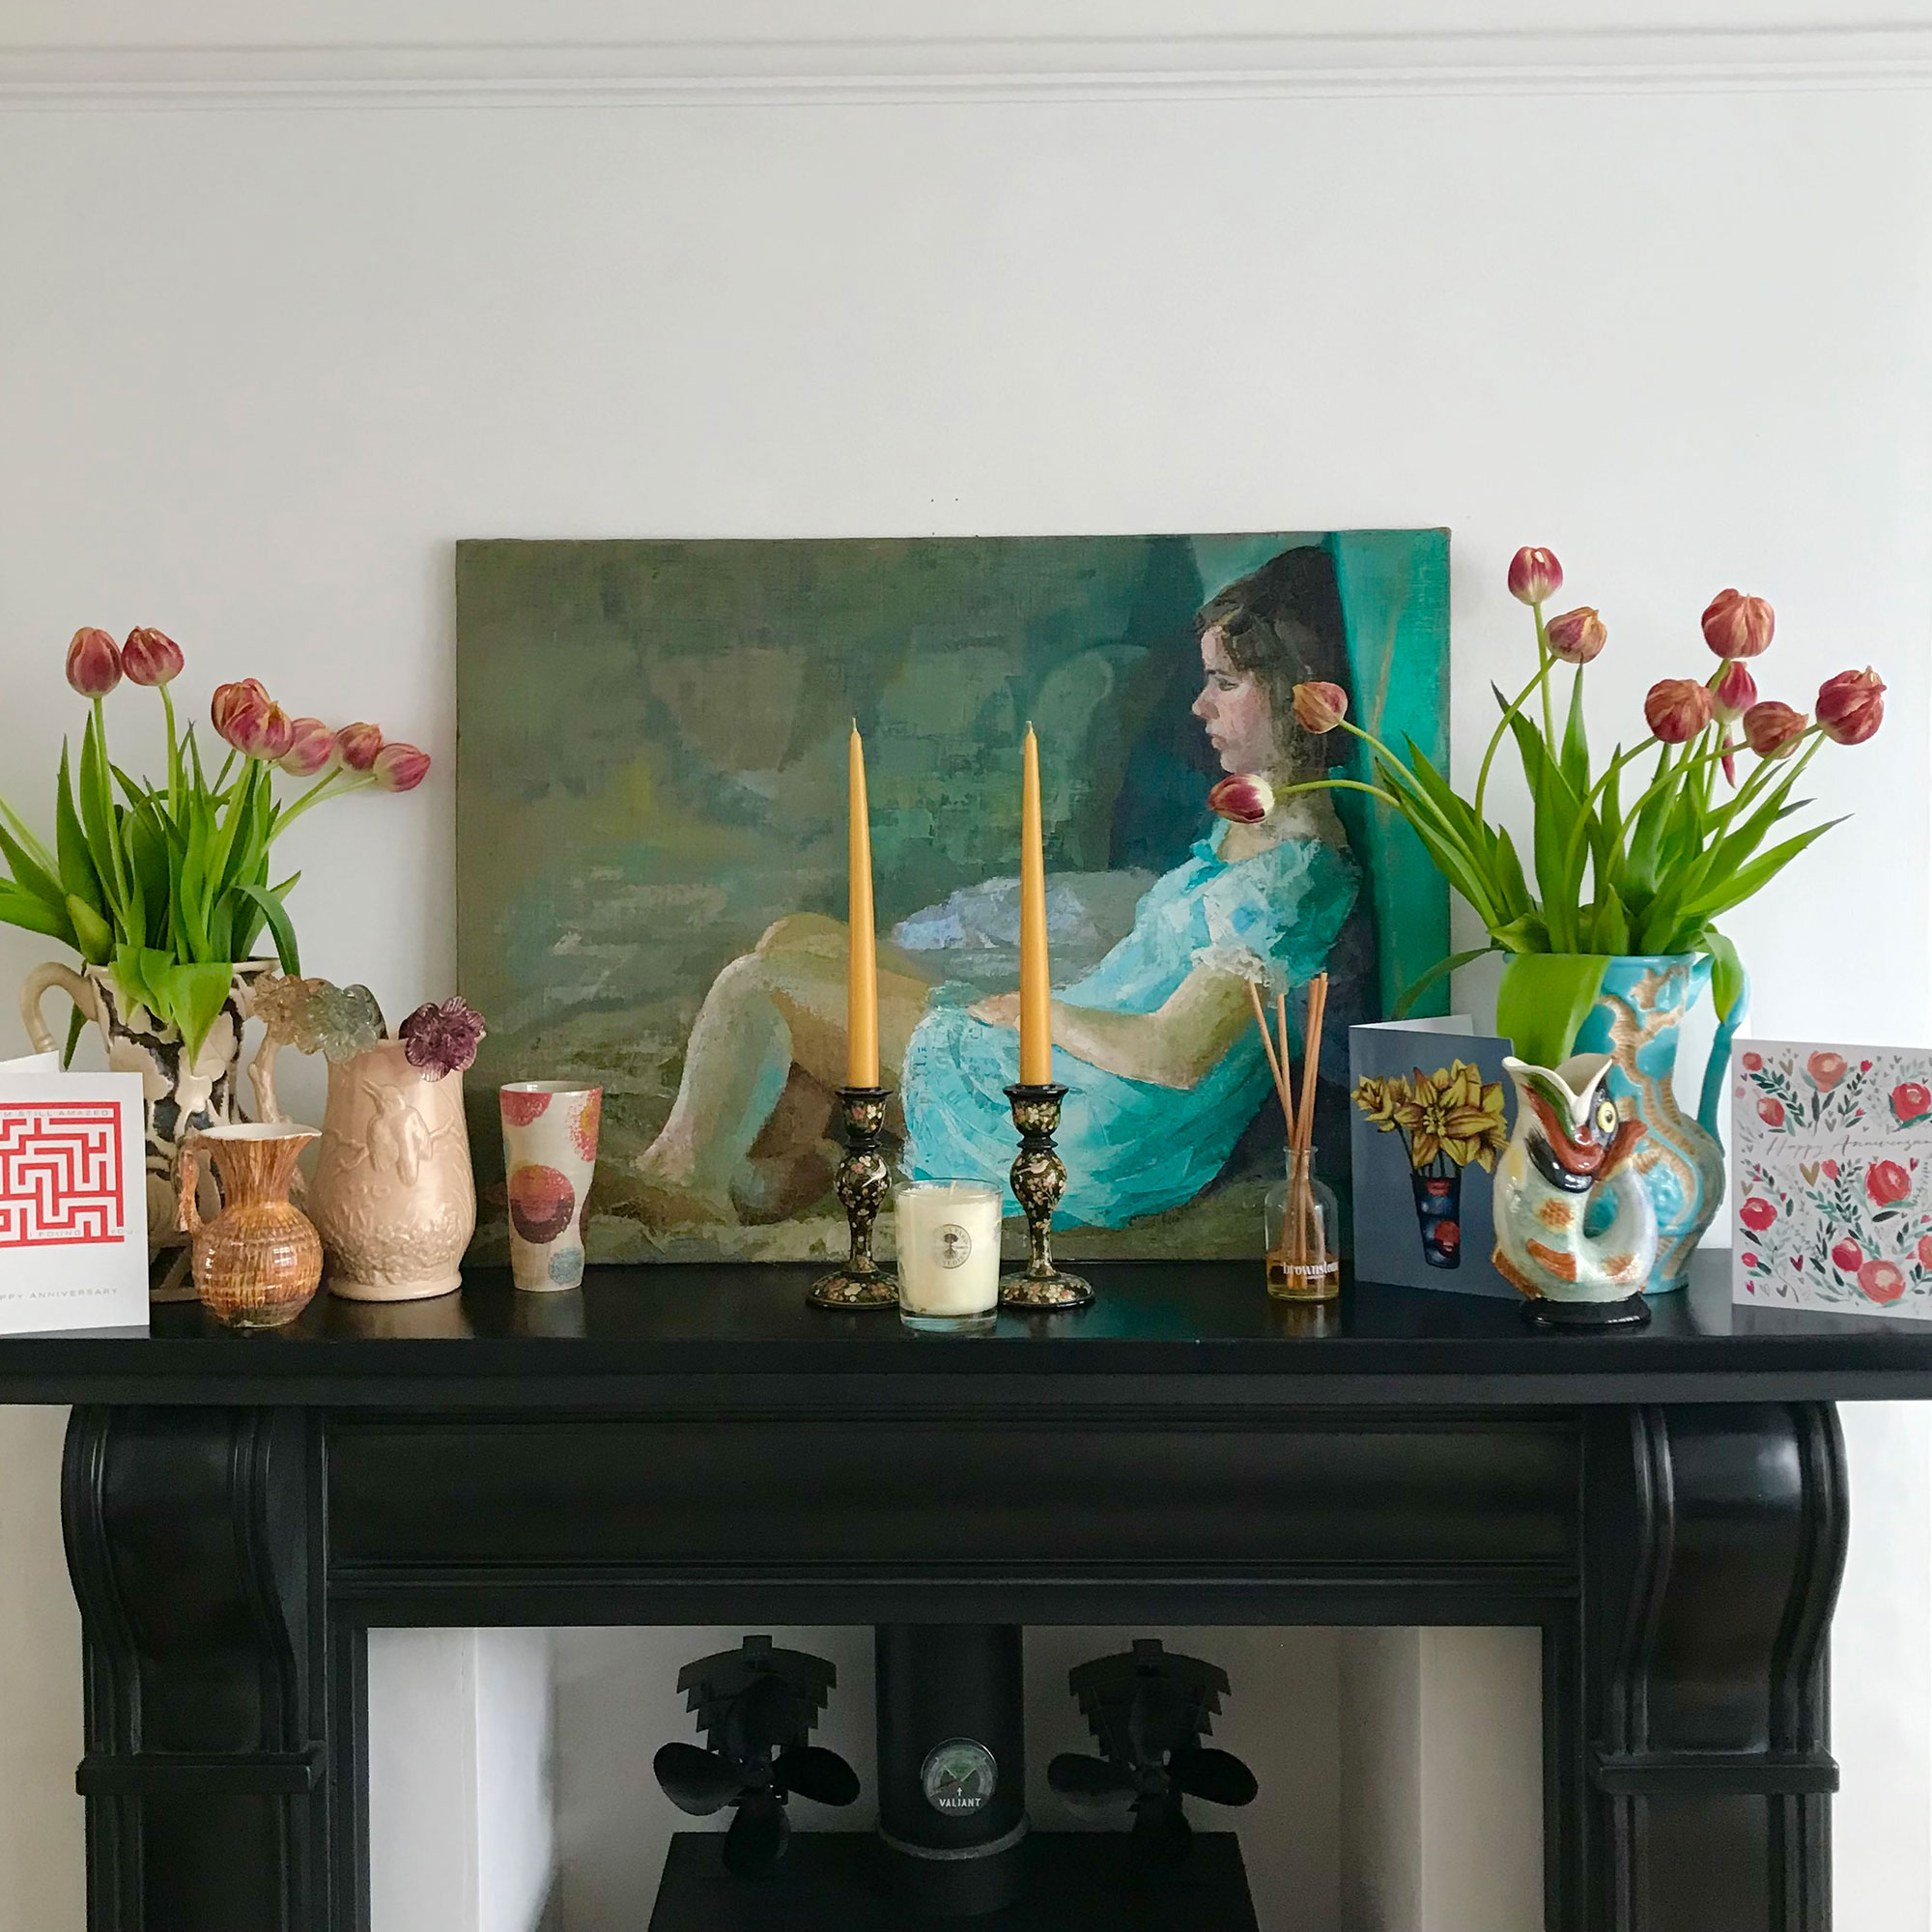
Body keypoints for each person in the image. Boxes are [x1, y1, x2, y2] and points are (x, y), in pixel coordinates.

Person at [628, 546, 1361, 1229]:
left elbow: (1175, 1054)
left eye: (1225, 685)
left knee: (758, 985)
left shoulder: (1291, 878)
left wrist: (1035, 1014)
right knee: (798, 939)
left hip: (1089, 1120)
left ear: (1303, 697)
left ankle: (683, 1178)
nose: (1200, 706)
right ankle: (766, 1168)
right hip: (1088, 1063)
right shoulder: (1259, 820)